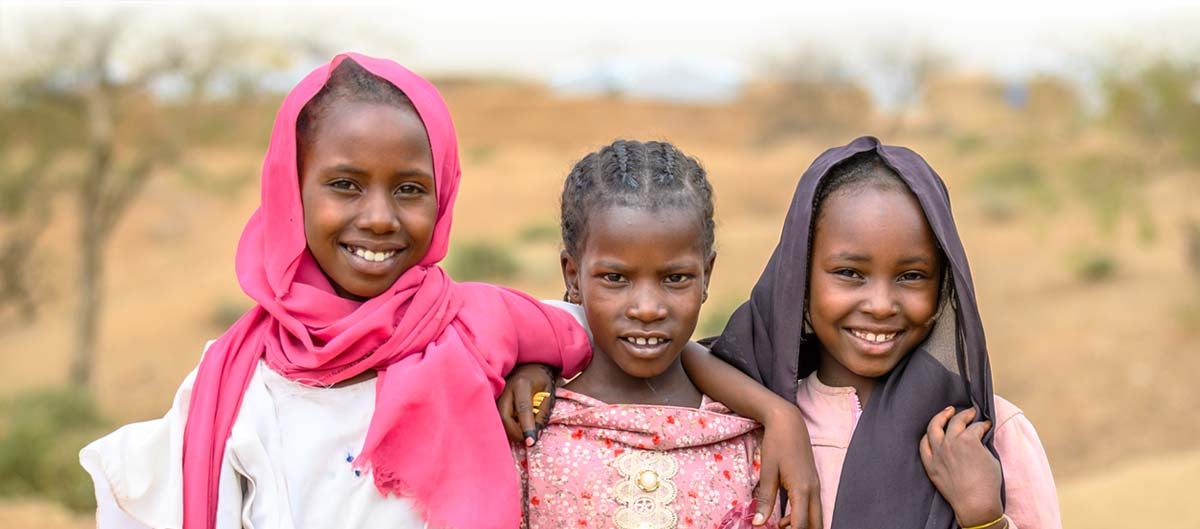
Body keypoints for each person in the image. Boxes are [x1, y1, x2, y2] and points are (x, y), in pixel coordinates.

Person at [79, 53, 594, 529]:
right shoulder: (236, 385)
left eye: (410, 189)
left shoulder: (484, 327)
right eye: (345, 185)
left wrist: (537, 368)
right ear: (292, 190)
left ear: (443, 195)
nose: (379, 218)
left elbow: (610, 332)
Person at [710, 136, 1062, 529]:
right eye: (849, 273)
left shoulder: (986, 435)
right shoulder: (744, 427)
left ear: (943, 286)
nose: (880, 305)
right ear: (799, 279)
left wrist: (984, 518)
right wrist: (777, 415)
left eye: (911, 276)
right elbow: (679, 358)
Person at [512, 139, 787, 529]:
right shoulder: (530, 426)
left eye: (675, 278)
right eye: (615, 278)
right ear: (573, 276)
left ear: (706, 275)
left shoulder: (750, 439)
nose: (647, 309)